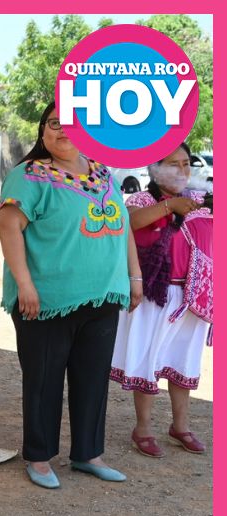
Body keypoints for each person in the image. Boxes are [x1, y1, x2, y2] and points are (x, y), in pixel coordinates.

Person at [0, 101, 143, 490]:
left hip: (103, 296)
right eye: (54, 123)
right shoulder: (28, 175)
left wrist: (134, 276)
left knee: (92, 379)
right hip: (46, 300)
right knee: (43, 381)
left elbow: (124, 225)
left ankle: (88, 454)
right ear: (42, 131)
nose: (62, 130)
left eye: (73, 123)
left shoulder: (104, 173)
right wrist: (24, 284)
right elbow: (8, 226)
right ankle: (39, 457)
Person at [110, 142, 212, 457]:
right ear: (155, 170)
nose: (182, 170)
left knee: (183, 359)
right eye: (174, 164)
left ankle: (181, 426)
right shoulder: (143, 199)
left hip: (190, 295)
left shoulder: (200, 200)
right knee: (147, 359)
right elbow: (129, 222)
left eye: (186, 164)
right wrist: (170, 207)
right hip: (153, 293)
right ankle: (143, 429)